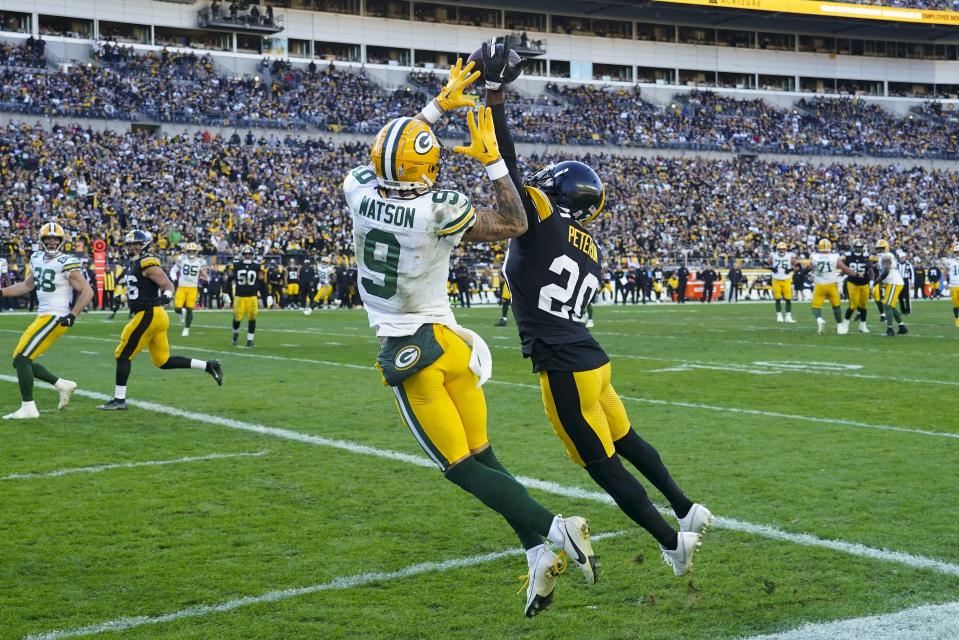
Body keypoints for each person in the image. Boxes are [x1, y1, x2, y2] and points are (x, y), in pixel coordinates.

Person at [346, 56, 596, 618]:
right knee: (485, 456)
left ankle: (556, 528)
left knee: (459, 467)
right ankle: (536, 551)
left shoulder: (357, 191)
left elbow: (395, 153)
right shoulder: (439, 209)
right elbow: (514, 222)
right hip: (453, 344)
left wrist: (435, 107)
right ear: (426, 168)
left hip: (413, 352)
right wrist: (491, 164)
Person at [485, 41, 710, 580]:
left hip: (562, 363)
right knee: (627, 440)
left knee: (602, 464)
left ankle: (671, 541)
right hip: (593, 359)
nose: (538, 186)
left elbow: (510, 171)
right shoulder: (593, 247)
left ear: (559, 191)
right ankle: (685, 507)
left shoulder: (540, 215)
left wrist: (495, 100)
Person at [97, 230, 223, 410]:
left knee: (122, 354)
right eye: (130, 244)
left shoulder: (147, 262)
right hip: (155, 315)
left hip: (149, 314)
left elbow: (167, 284)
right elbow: (141, 292)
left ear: (144, 246)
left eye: (136, 245)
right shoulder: (134, 264)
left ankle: (119, 399)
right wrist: (123, 299)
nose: (132, 248)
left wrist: (168, 295)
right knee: (162, 361)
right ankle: (208, 366)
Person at [0, 222, 93, 419]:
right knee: (20, 360)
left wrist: (73, 314)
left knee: (22, 358)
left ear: (61, 241)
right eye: (48, 239)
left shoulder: (66, 261)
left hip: (56, 316)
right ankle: (62, 385)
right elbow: (26, 286)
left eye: (55, 239)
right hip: (43, 316)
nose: (51, 242)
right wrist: (2, 292)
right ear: (41, 241)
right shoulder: (36, 258)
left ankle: (28, 408)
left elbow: (87, 291)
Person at [810, 238, 856, 335]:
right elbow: (844, 268)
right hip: (831, 285)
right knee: (836, 306)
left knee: (815, 307)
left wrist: (802, 273)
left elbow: (809, 267)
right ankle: (839, 326)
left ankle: (819, 319)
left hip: (819, 285)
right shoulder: (834, 257)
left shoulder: (815, 257)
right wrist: (854, 273)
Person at [874, 240, 908, 337]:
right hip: (891, 283)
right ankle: (902, 327)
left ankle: (890, 329)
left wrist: (877, 281)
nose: (879, 250)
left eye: (881, 248)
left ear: (886, 248)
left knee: (887, 305)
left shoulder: (887, 255)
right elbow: (879, 268)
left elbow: (886, 270)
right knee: (890, 306)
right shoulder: (882, 257)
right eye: (878, 248)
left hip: (894, 282)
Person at [174, 242, 208, 337]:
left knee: (189, 309)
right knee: (177, 308)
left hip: (193, 287)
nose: (192, 252)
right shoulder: (182, 258)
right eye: (190, 251)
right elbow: (176, 267)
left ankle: (186, 328)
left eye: (193, 251)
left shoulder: (201, 261)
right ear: (187, 251)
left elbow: (204, 274)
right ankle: (182, 313)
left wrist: (204, 275)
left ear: (196, 251)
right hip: (182, 286)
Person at [230, 245, 262, 347]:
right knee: (237, 318)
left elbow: (261, 282)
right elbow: (229, 280)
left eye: (249, 254)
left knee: (252, 317)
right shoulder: (236, 265)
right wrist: (227, 292)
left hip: (252, 296)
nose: (247, 256)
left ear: (252, 255)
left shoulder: (257, 266)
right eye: (245, 254)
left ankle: (250, 340)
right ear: (242, 255)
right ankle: (235, 332)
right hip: (240, 296)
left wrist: (267, 295)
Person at [843, 239, 872, 334]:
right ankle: (845, 324)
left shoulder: (867, 256)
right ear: (853, 247)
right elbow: (841, 265)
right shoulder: (847, 256)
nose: (858, 249)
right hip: (852, 283)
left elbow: (871, 269)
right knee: (853, 305)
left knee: (863, 305)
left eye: (860, 247)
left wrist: (871, 281)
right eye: (856, 247)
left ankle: (863, 325)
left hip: (864, 283)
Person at [769, 242, 797, 322]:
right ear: (777, 249)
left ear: (786, 249)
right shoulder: (773, 255)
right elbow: (765, 264)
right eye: (779, 249)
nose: (781, 251)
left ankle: (788, 316)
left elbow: (798, 266)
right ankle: (779, 316)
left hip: (786, 279)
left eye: (783, 249)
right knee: (777, 299)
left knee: (788, 299)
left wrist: (790, 269)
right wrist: (772, 268)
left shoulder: (790, 255)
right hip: (776, 279)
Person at [944, 245, 959, 328]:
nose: (958, 254)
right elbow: (944, 273)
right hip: (953, 285)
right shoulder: (950, 261)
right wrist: (945, 283)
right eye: (956, 252)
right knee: (956, 304)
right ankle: (956, 319)